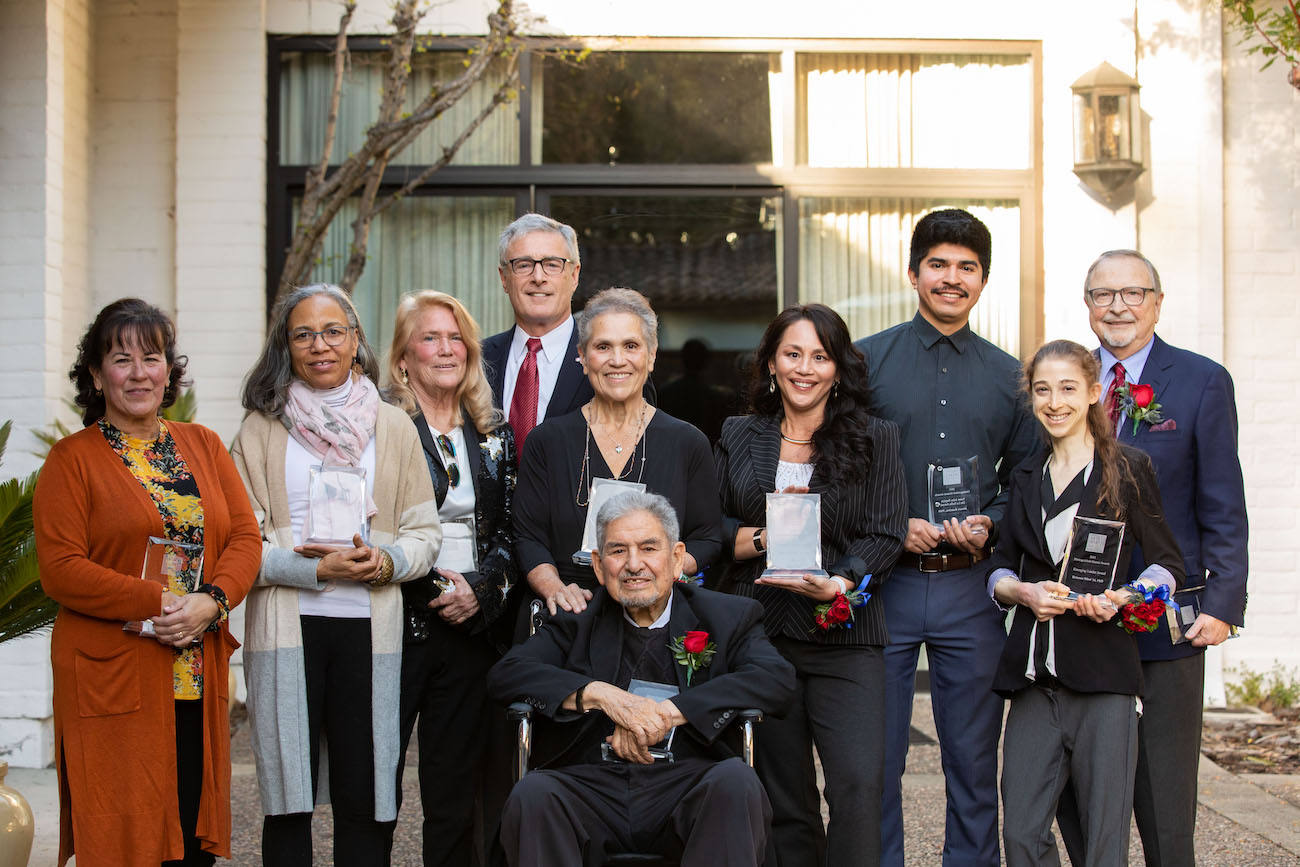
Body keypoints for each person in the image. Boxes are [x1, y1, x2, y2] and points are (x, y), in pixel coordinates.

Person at [33, 298, 262, 867]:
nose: (139, 373)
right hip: (113, 675)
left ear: (169, 369)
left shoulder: (203, 445)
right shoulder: (71, 460)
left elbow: (244, 540)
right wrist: (159, 601)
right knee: (122, 840)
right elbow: (61, 568)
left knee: (188, 837)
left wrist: (210, 603)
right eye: (121, 359)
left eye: (152, 357)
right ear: (95, 373)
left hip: (194, 672)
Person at [853, 208, 1039, 866]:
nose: (951, 278)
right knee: (874, 761)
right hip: (886, 585)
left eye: (967, 267)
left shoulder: (1011, 376)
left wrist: (991, 517)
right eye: (938, 264)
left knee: (972, 761)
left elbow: (1025, 475)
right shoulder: (866, 361)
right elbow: (842, 465)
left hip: (971, 587)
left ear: (983, 281)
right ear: (913, 272)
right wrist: (887, 523)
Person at [231, 283, 441, 866]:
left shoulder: (395, 426)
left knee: (366, 796)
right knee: (287, 801)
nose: (319, 345)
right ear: (286, 346)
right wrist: (312, 568)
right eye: (303, 333)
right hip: (285, 630)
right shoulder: (259, 429)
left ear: (356, 341)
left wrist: (387, 561)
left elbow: (424, 534)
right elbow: (238, 544)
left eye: (332, 331)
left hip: (370, 632)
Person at [1055, 250, 1249, 867]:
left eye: (1133, 293)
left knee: (1165, 797)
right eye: (1103, 294)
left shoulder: (1200, 380)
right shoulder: (1061, 382)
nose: (1118, 306)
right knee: (1077, 793)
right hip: (1079, 615)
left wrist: (1222, 603)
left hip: (1166, 619)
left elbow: (1223, 500)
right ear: (1086, 305)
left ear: (1157, 303)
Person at [489, 490, 797, 867]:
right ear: (600, 567)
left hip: (688, 782)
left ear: (677, 558)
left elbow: (775, 679)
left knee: (736, 782)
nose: (634, 564)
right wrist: (604, 697)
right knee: (533, 793)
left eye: (649, 548)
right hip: (593, 785)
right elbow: (508, 674)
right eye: (618, 551)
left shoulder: (728, 616)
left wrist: (668, 713)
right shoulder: (576, 619)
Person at [714, 303, 909, 867]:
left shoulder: (876, 437)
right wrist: (767, 538)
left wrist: (842, 581)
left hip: (844, 638)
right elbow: (712, 528)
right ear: (771, 364)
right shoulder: (737, 434)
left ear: (839, 369)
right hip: (760, 637)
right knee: (784, 797)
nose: (805, 368)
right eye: (792, 354)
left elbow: (885, 533)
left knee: (856, 789)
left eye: (819, 356)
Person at [987, 339, 1185, 866]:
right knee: (1022, 837)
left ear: (1095, 393)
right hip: (1034, 678)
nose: (1055, 402)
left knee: (1103, 843)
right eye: (1043, 390)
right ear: (1031, 398)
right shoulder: (1025, 475)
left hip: (1105, 679)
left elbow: (1170, 565)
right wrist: (1022, 592)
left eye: (1069, 389)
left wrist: (1125, 597)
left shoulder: (1128, 468)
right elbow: (1000, 569)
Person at [385, 290, 519, 866]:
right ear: (403, 360)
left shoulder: (494, 432)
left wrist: (481, 593)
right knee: (377, 783)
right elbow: (372, 530)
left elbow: (515, 529)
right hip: (394, 622)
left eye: (456, 337)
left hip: (473, 626)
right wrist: (442, 589)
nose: (447, 349)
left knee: (453, 789)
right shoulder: (380, 431)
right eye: (430, 338)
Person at [512, 287, 722, 624]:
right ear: (582, 356)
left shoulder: (688, 442)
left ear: (652, 356)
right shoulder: (546, 441)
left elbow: (708, 536)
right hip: (567, 614)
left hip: (654, 618)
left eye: (631, 346)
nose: (617, 360)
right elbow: (527, 535)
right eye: (603, 347)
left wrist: (661, 573)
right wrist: (554, 588)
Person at [481, 213, 653, 454]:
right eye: (523, 265)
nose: (538, 278)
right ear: (504, 278)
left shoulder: (613, 363)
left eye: (552, 264)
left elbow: (640, 451)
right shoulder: (477, 360)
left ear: (574, 275)